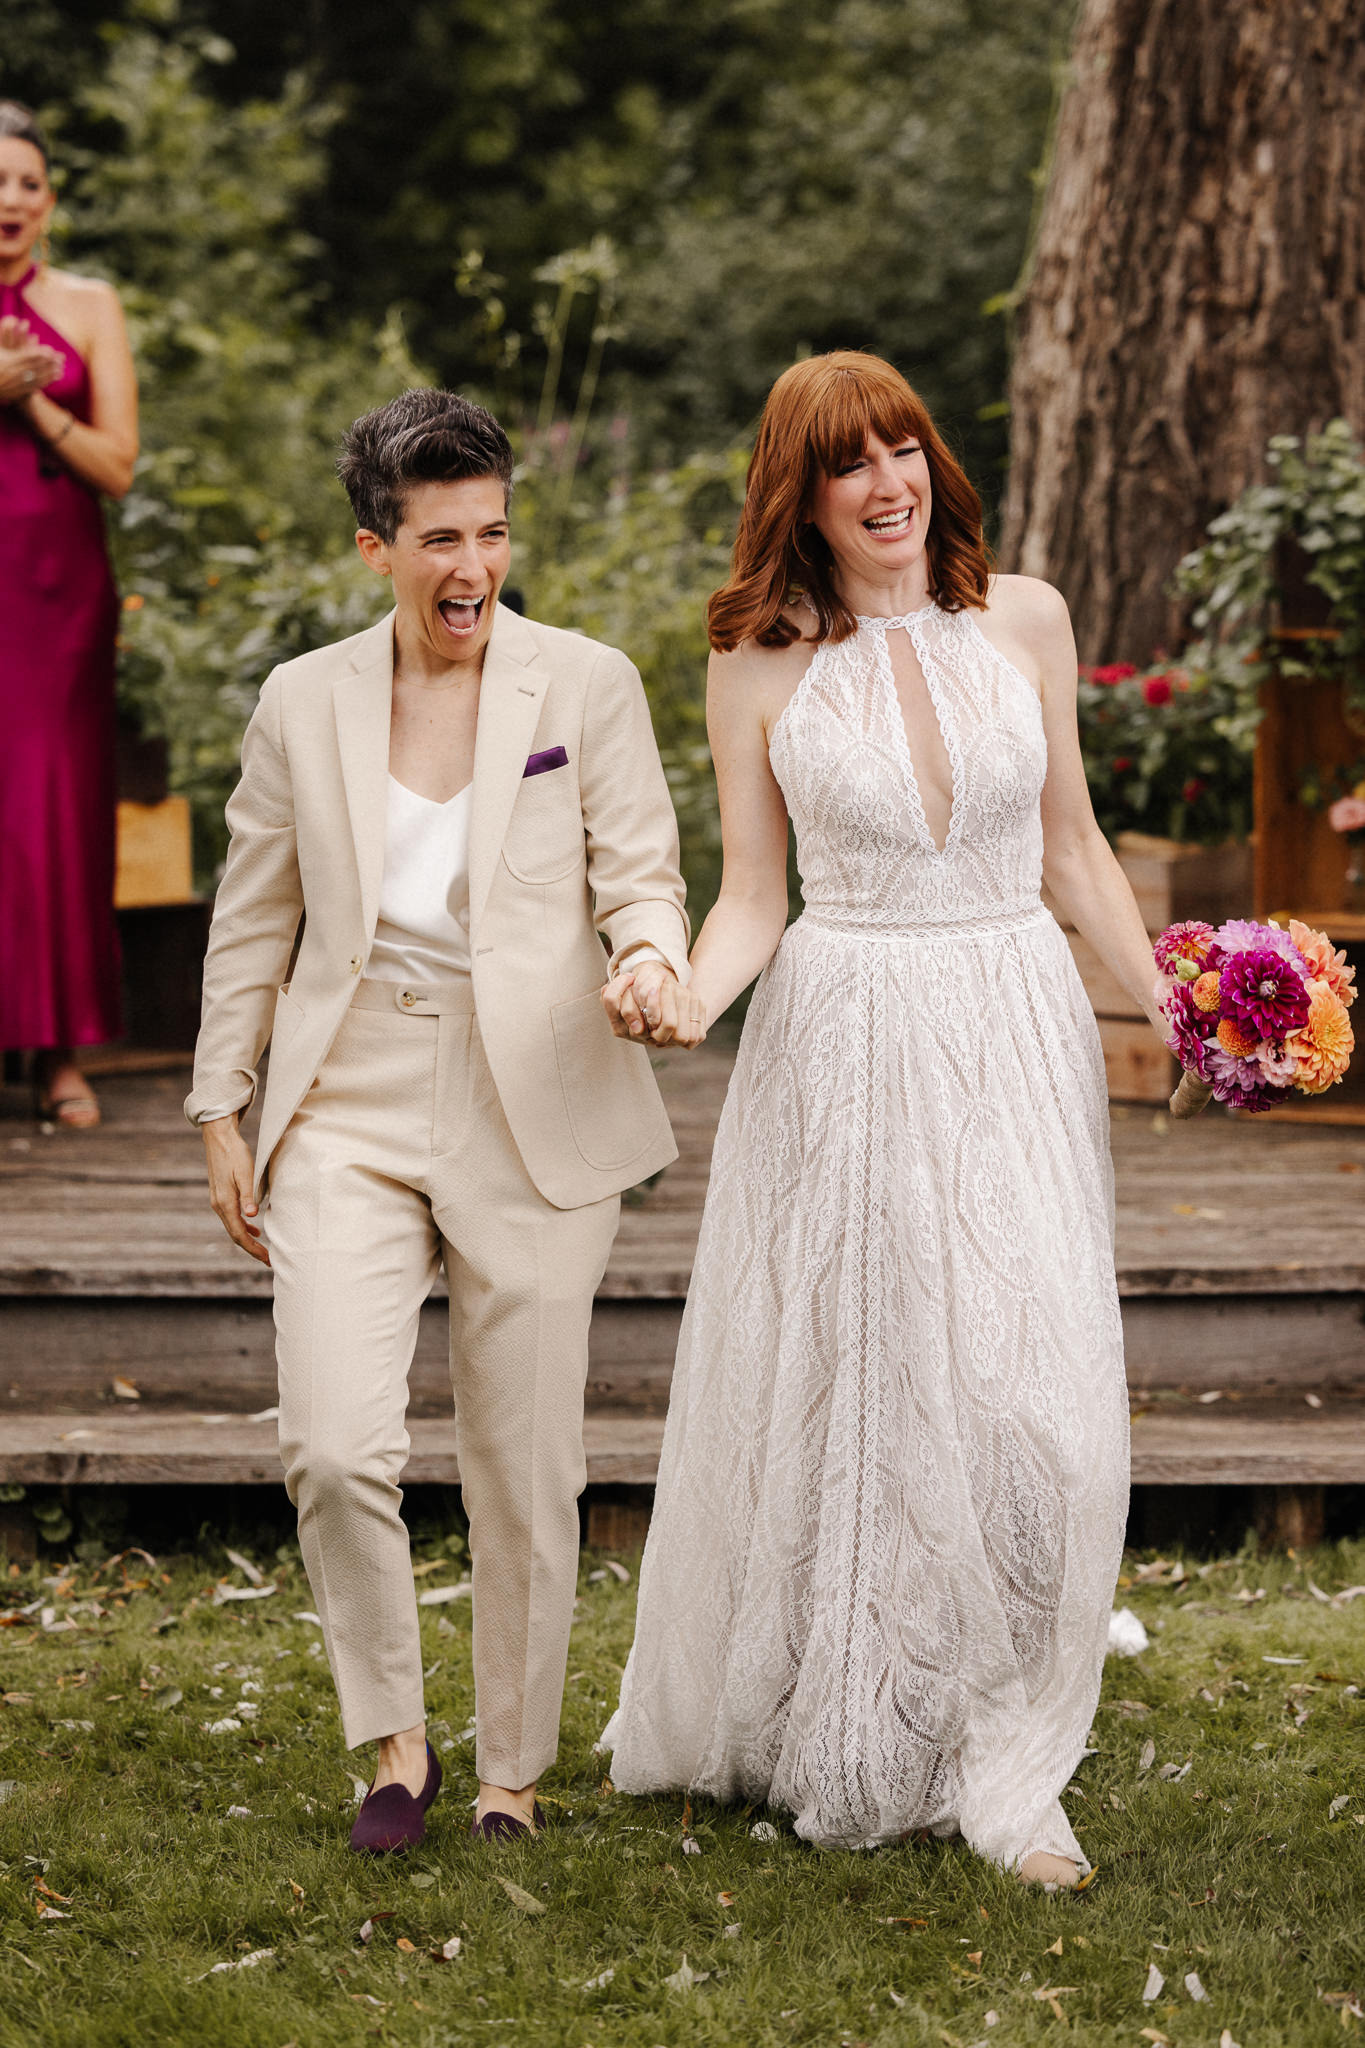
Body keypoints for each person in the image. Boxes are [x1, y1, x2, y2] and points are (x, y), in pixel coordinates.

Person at [602, 351, 1169, 1887]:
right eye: (850, 462)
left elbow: (1076, 852)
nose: (889, 482)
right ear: (805, 494)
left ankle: (1006, 1718)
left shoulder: (1026, 620)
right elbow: (749, 902)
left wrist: (1171, 1001)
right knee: (882, 1386)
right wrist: (681, 999)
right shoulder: (757, 667)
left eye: (905, 446)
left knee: (1028, 1383)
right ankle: (889, 1722)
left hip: (1010, 1023)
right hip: (844, 1041)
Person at [187, 387, 703, 1854]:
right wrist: (223, 1103)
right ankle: (394, 1744)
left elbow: (641, 872)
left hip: (532, 1089)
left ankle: (511, 1777)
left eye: (490, 531)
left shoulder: (586, 684)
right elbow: (252, 921)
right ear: (378, 549)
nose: (470, 566)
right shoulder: (304, 701)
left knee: (525, 1465)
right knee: (337, 1448)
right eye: (437, 540)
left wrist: (650, 957)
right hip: (343, 1094)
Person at [0, 101, 138, 1125]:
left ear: (49, 202)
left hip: (57, 598)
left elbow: (118, 466)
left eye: (27, 184)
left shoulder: (89, 304)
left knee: (50, 803)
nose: (10, 202)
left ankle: (57, 1052)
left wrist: (30, 400)